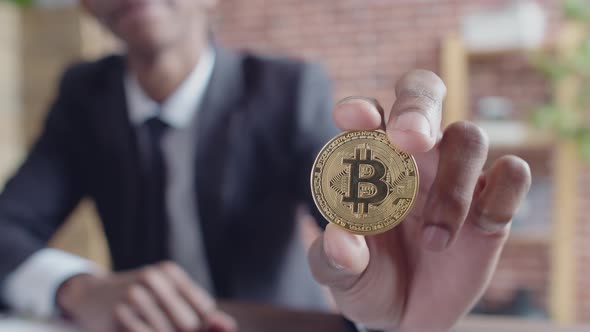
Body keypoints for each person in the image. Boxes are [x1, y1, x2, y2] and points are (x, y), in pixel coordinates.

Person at [0, 0, 531, 331]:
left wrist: (390, 287)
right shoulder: (82, 97)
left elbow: (357, 230)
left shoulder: (285, 91)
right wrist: (78, 288)